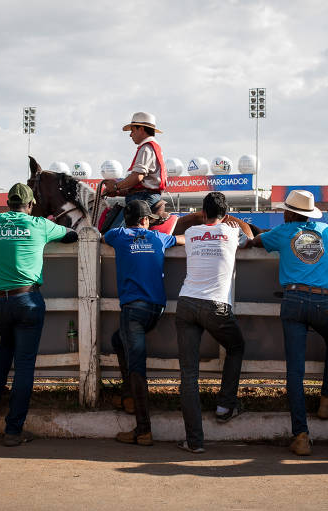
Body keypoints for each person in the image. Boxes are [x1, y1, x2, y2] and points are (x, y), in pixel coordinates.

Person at [0, 183, 78, 447]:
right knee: (25, 365)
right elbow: (72, 235)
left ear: (7, 203)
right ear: (30, 205)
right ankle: (13, 430)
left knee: (6, 344)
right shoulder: (39, 224)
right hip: (27, 299)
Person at [245, 190, 328, 456]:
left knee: (295, 371)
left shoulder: (282, 231)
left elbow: (254, 242)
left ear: (289, 213)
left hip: (292, 300)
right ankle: (327, 399)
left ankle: (301, 435)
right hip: (322, 302)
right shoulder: (324, 229)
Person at [102, 200, 185, 446]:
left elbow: (104, 235)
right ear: (146, 220)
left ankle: (143, 429)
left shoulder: (117, 235)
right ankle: (128, 396)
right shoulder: (158, 238)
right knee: (118, 340)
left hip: (133, 310)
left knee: (137, 367)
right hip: (156, 310)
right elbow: (180, 240)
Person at [175, 192, 248, 454]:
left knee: (189, 376)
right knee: (237, 347)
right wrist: (232, 222)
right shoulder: (232, 233)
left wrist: (201, 219)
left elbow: (178, 229)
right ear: (225, 214)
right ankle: (225, 405)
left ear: (203, 213)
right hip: (216, 306)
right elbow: (250, 237)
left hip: (186, 303)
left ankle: (194, 442)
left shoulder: (193, 233)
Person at [102, 112, 167, 228]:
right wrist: (118, 191)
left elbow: (137, 177)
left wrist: (116, 186)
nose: (130, 135)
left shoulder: (146, 148)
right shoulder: (151, 147)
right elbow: (140, 183)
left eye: (132, 130)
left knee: (117, 231)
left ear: (141, 129)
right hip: (145, 196)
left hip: (143, 198)